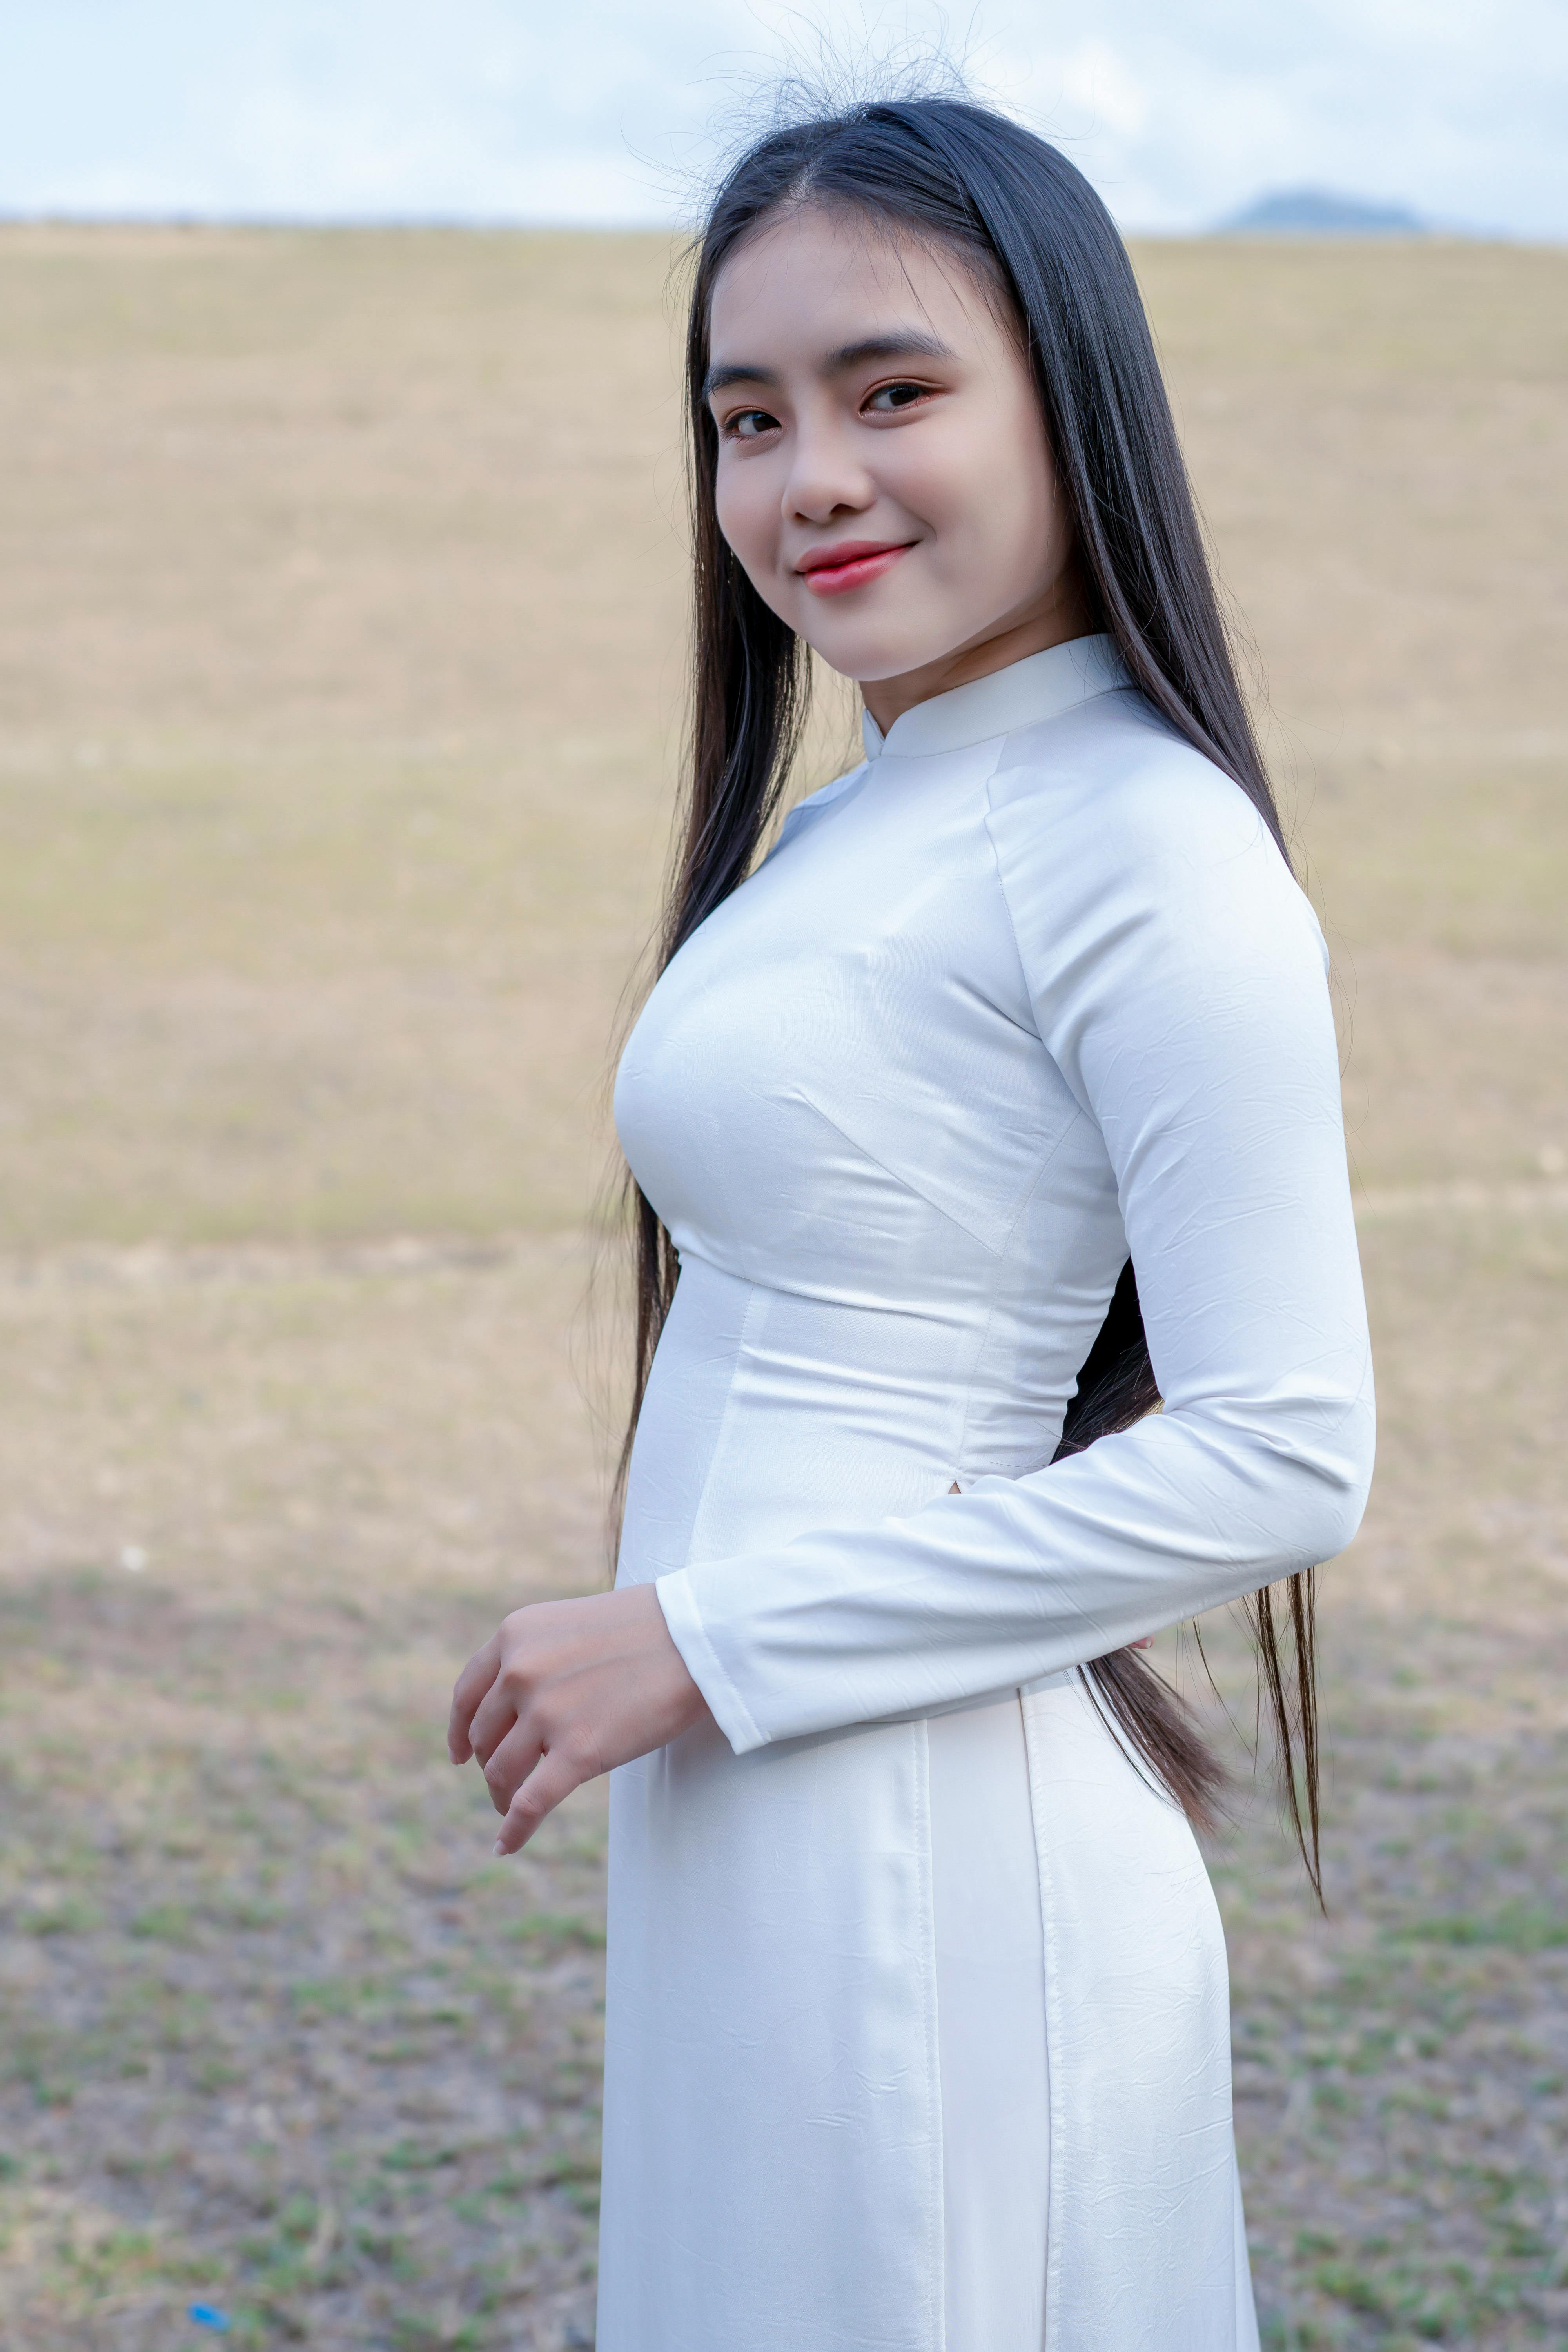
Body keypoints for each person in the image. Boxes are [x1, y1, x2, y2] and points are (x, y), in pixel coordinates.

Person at [448, 93, 1375, 2352]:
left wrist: (711, 1639)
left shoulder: (1144, 844)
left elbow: (1287, 1446)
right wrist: (710, 1665)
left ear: (1075, 394)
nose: (808, 478)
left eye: (893, 392)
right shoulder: (870, 814)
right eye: (745, 417)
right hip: (768, 1804)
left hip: (933, 1842)